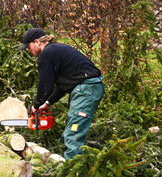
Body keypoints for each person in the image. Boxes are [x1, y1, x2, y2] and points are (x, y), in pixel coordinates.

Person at [19, 28, 104, 160]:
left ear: (37, 42)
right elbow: (63, 85)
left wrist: (36, 105)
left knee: (74, 131)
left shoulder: (46, 55)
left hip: (87, 89)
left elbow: (45, 85)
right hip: (85, 88)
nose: (28, 51)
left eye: (28, 47)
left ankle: (71, 172)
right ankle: (61, 161)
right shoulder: (55, 50)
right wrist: (47, 103)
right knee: (71, 126)